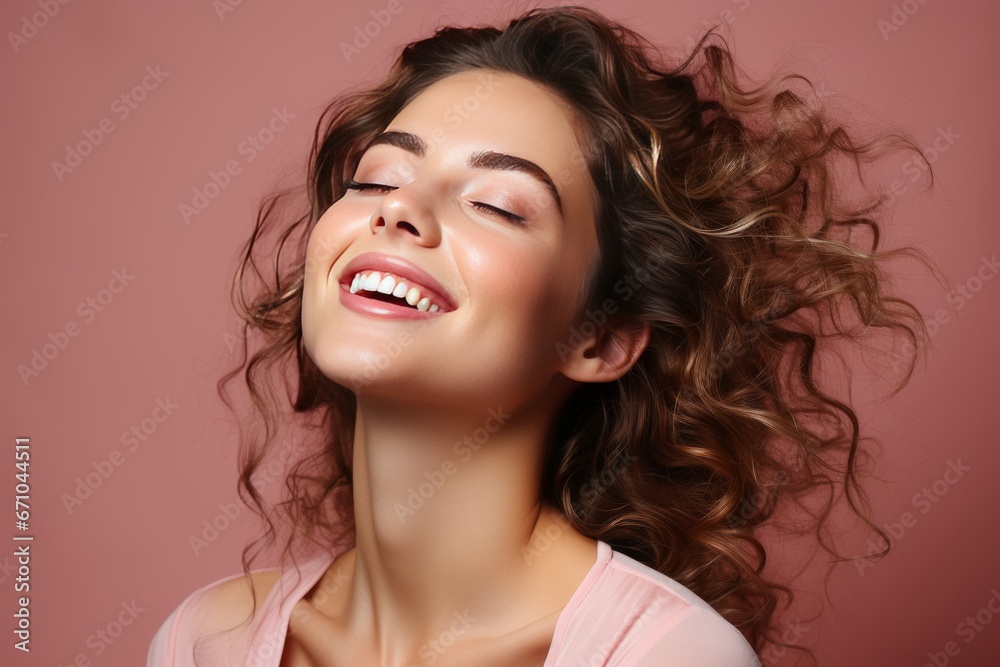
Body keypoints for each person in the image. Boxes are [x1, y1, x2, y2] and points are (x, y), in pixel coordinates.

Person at [147, 5, 935, 666]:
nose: (397, 210)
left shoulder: (667, 656)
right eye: (377, 178)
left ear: (600, 338)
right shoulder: (204, 641)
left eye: (496, 203)